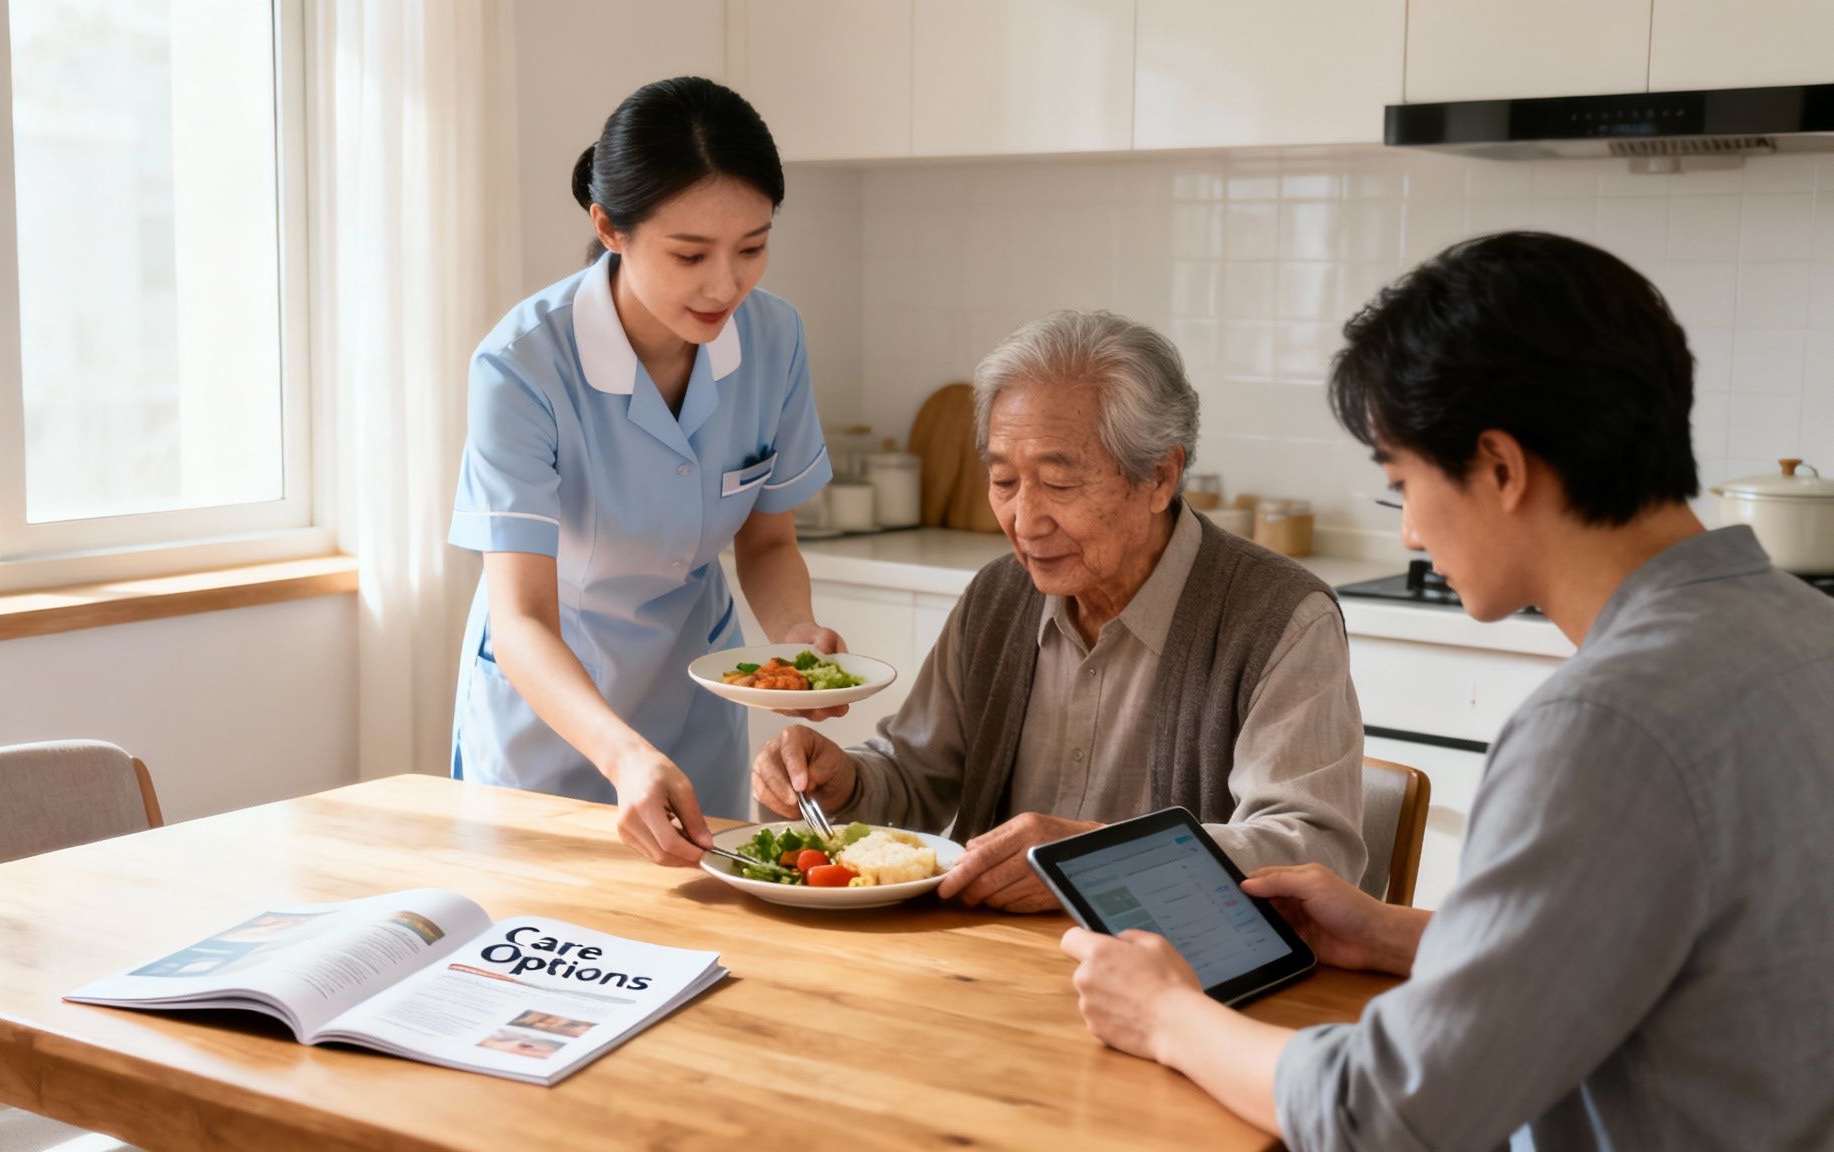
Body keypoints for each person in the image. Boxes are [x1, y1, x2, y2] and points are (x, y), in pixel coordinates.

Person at [1061, 232, 1834, 1149]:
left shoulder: (1602, 726)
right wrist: (1399, 935)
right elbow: (1686, 964)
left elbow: (1392, 1111)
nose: (1411, 536)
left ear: (1501, 468)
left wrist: (1169, 1017)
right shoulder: (1804, 634)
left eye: (1403, 485)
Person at [754, 310, 1367, 912]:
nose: (1024, 521)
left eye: (1060, 484)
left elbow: (1312, 849)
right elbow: (916, 777)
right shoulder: (999, 596)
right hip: (994, 963)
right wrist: (846, 784)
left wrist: (1096, 860)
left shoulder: (1280, 617)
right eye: (1003, 482)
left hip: (1184, 974)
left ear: (1159, 477)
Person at [449, 77, 842, 868]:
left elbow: (767, 543)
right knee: (541, 936)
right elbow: (520, 615)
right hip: (552, 709)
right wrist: (622, 754)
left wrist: (795, 641)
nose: (725, 285)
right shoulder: (521, 364)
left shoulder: (774, 338)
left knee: (705, 937)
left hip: (694, 699)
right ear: (610, 228)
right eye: (691, 254)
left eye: (753, 248)